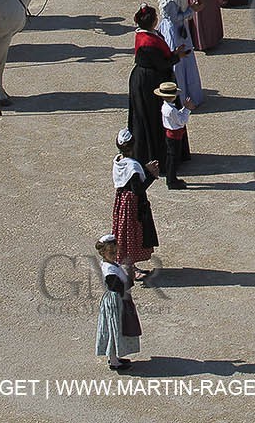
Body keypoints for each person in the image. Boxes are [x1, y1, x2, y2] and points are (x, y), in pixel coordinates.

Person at [127, 4, 177, 175]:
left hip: (149, 77)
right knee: (151, 117)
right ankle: (154, 156)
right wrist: (177, 57)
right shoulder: (147, 41)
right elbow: (161, 63)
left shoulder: (146, 34)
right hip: (148, 82)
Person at [111, 128, 160, 283]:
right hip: (132, 205)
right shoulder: (132, 166)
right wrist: (151, 175)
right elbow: (137, 189)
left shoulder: (118, 160)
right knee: (131, 234)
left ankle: (127, 265)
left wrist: (144, 169)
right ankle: (129, 268)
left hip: (121, 201)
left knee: (122, 231)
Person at [158, 0, 203, 107]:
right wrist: (192, 10)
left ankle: (188, 93)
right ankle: (180, 97)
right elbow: (174, 18)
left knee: (186, 60)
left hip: (180, 29)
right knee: (179, 62)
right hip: (174, 31)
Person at [94, 234, 140, 371]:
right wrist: (130, 280)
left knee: (115, 329)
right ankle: (114, 361)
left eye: (115, 251)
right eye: (111, 252)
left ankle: (114, 358)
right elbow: (116, 286)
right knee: (115, 329)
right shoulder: (109, 270)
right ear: (103, 253)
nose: (114, 254)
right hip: (116, 301)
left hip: (118, 300)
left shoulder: (111, 264)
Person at [157, 80, 189, 189]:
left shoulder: (166, 107)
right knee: (173, 159)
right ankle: (171, 181)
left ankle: (171, 178)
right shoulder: (171, 110)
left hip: (171, 134)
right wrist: (187, 109)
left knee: (171, 158)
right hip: (174, 136)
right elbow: (181, 121)